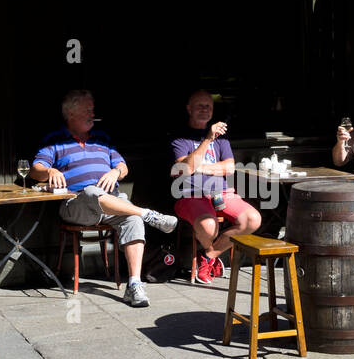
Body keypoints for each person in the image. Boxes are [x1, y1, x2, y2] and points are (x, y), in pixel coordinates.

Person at [31, 90, 177, 308]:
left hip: (110, 202)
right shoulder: (55, 140)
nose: (93, 113)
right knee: (92, 192)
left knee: (132, 219)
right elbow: (35, 169)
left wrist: (115, 173)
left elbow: (123, 166)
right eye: (87, 109)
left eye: (92, 109)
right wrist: (49, 171)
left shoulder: (103, 139)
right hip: (76, 204)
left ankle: (134, 285)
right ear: (70, 112)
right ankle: (147, 214)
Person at [170, 90, 262, 285]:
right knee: (209, 226)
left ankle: (209, 256)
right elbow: (185, 169)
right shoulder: (180, 138)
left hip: (222, 193)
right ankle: (210, 258)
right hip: (190, 195)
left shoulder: (222, 139)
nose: (205, 109)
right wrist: (207, 140)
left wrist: (200, 168)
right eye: (200, 106)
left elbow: (229, 168)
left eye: (209, 106)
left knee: (252, 220)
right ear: (189, 109)